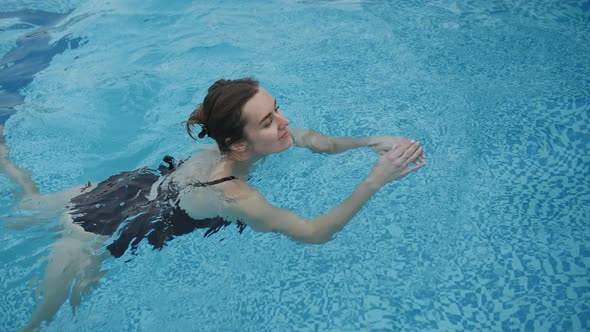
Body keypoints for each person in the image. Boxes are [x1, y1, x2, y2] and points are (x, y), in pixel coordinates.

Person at [5, 78, 426, 330]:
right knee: (40, 322)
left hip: (123, 187)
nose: (284, 123)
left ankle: (7, 165)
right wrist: (376, 180)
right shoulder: (235, 194)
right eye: (269, 121)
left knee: (32, 208)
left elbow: (319, 141)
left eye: (277, 109)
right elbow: (314, 234)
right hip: (102, 229)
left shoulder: (245, 143)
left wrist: (372, 142)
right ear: (240, 145)